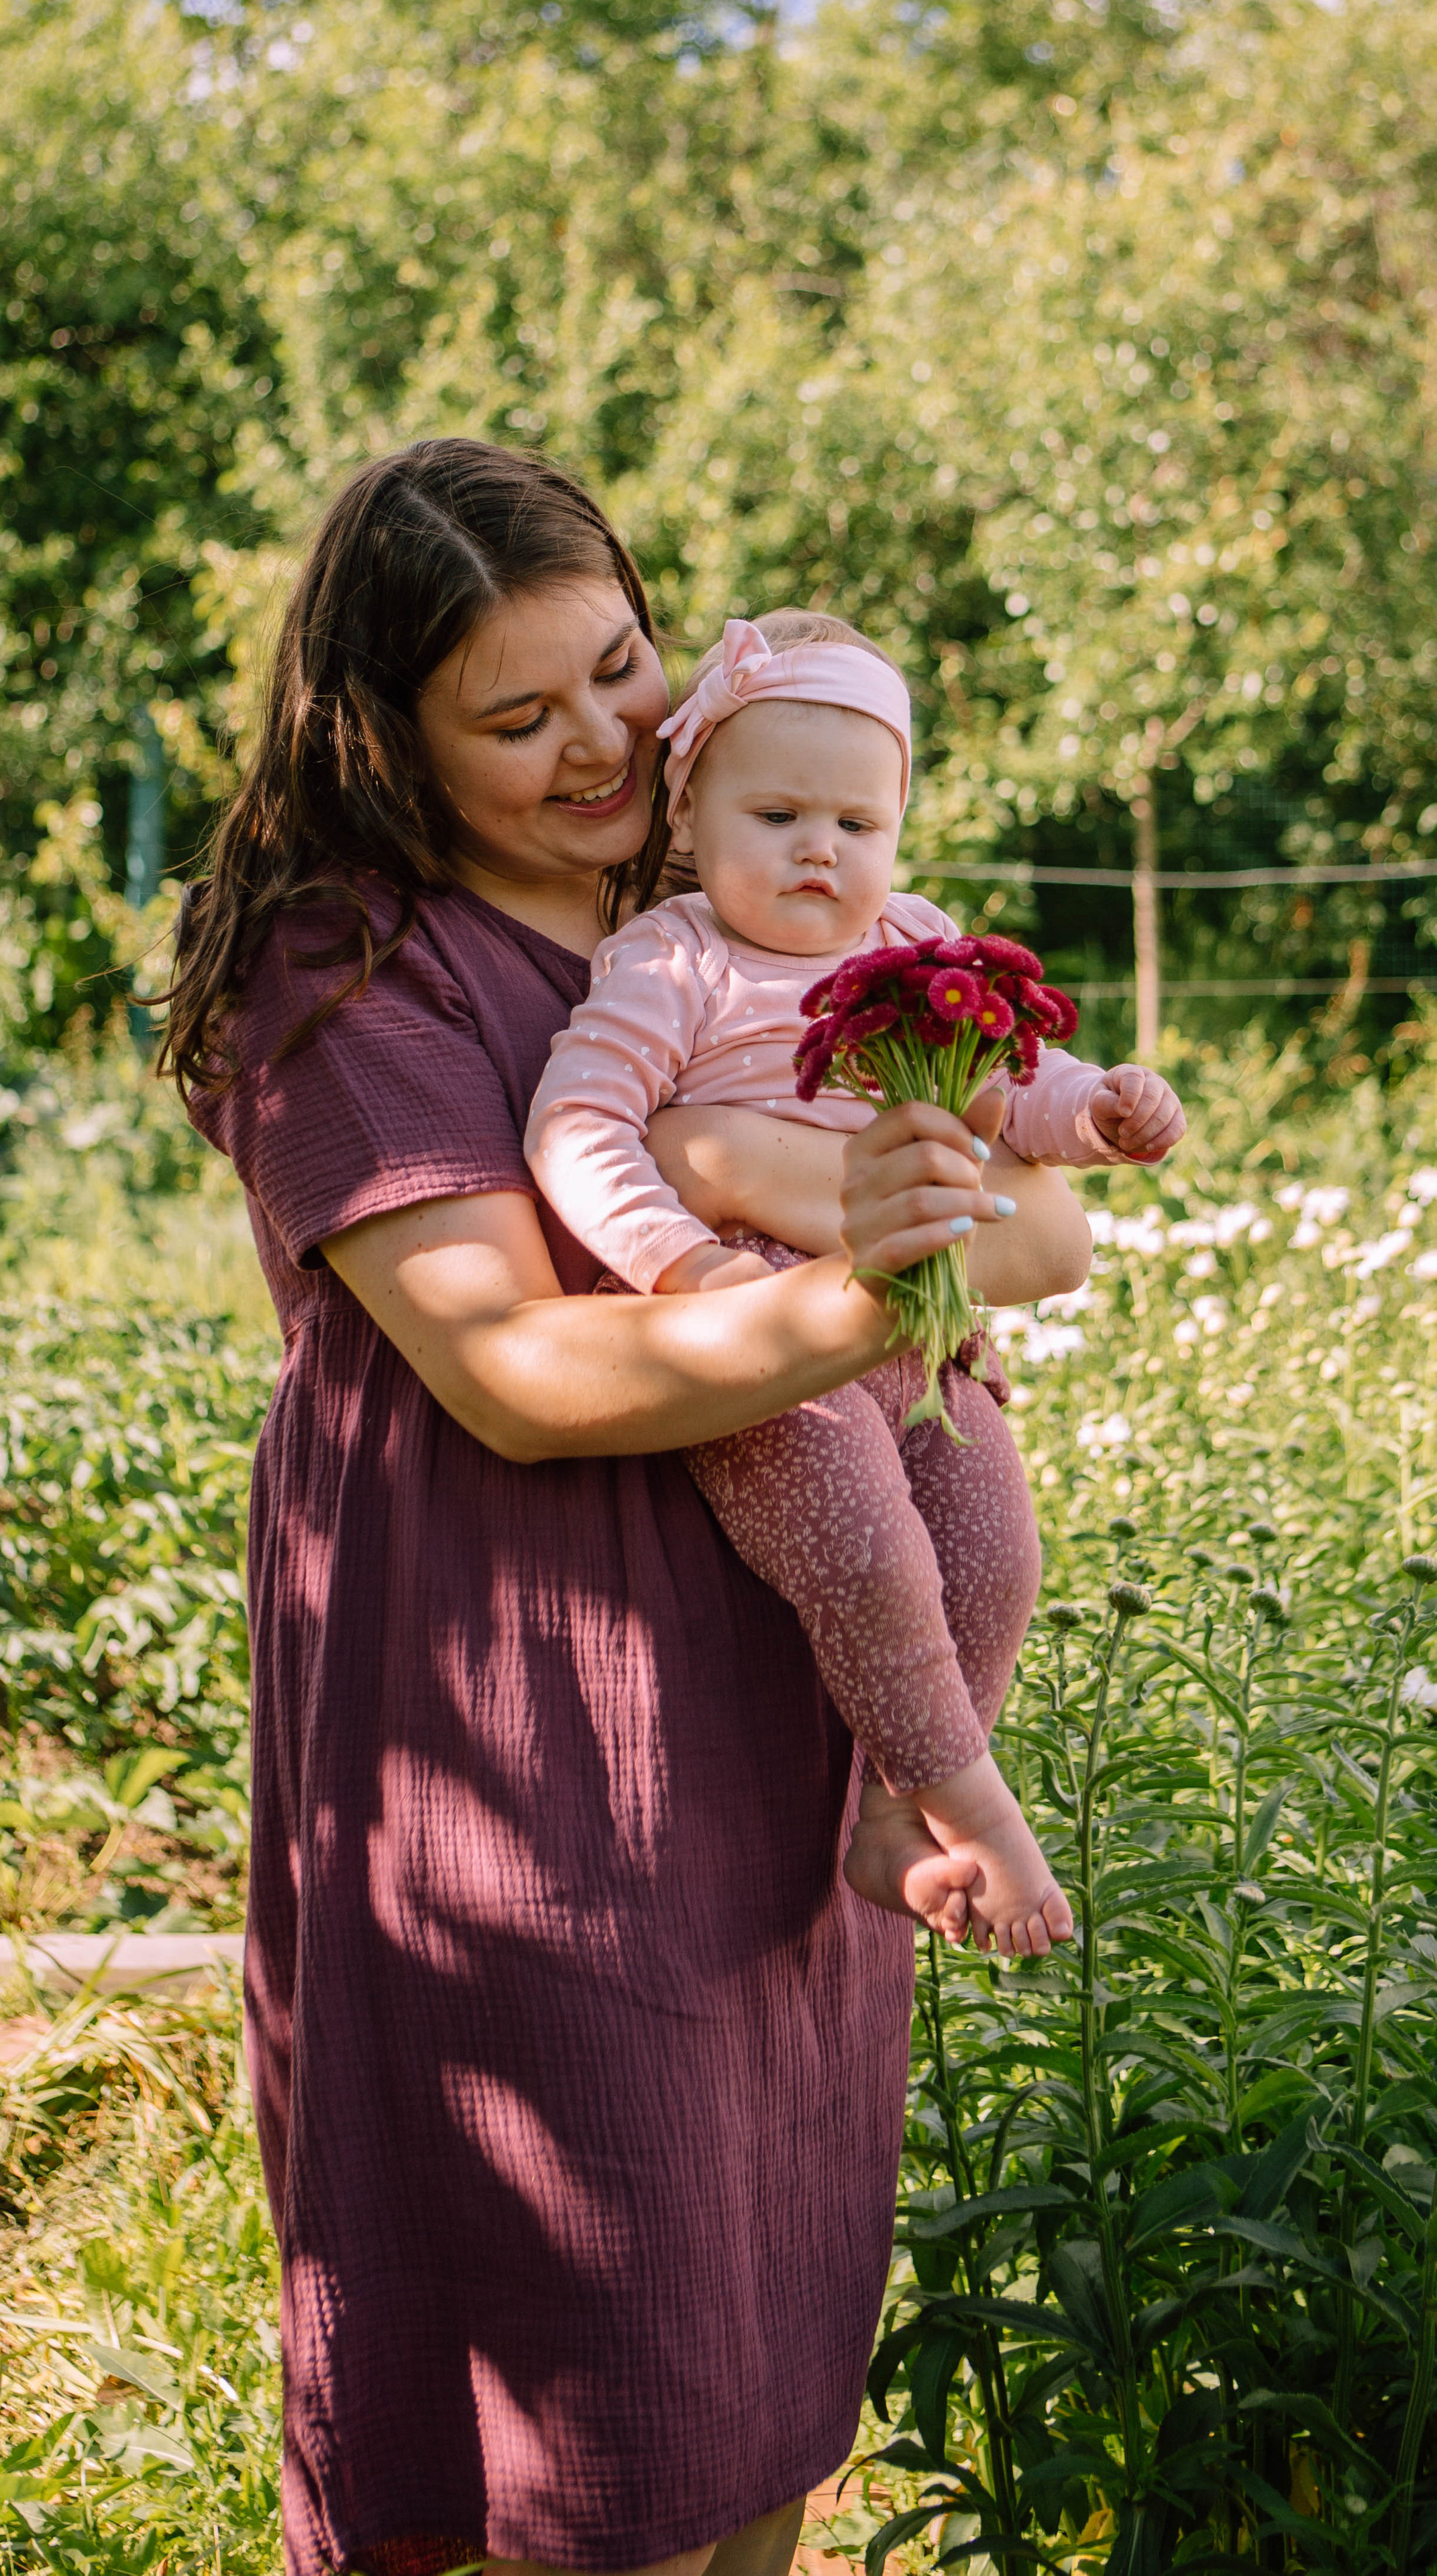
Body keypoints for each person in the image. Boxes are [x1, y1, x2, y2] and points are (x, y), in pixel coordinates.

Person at [162, 439, 1096, 2576]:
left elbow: (1042, 1243)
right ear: (382, 738)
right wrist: (841, 1245)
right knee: (575, 2397)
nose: (600, 742)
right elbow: (520, 1370)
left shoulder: (730, 893)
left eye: (620, 669)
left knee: (753, 2345)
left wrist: (782, 1186)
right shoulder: (347, 971)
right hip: (519, 1727)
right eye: (516, 717)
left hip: (783, 1695)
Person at [525, 610, 1185, 1958]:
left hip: (923, 1338)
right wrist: (687, 1271)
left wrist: (1094, 1112)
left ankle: (892, 1814)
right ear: (690, 814)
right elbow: (575, 1127)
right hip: (759, 1334)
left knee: (994, 1557)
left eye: (857, 823)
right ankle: (979, 1815)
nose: (821, 851)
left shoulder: (915, 937)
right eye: (775, 815)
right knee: (867, 1561)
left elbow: (1011, 1083)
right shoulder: (676, 960)